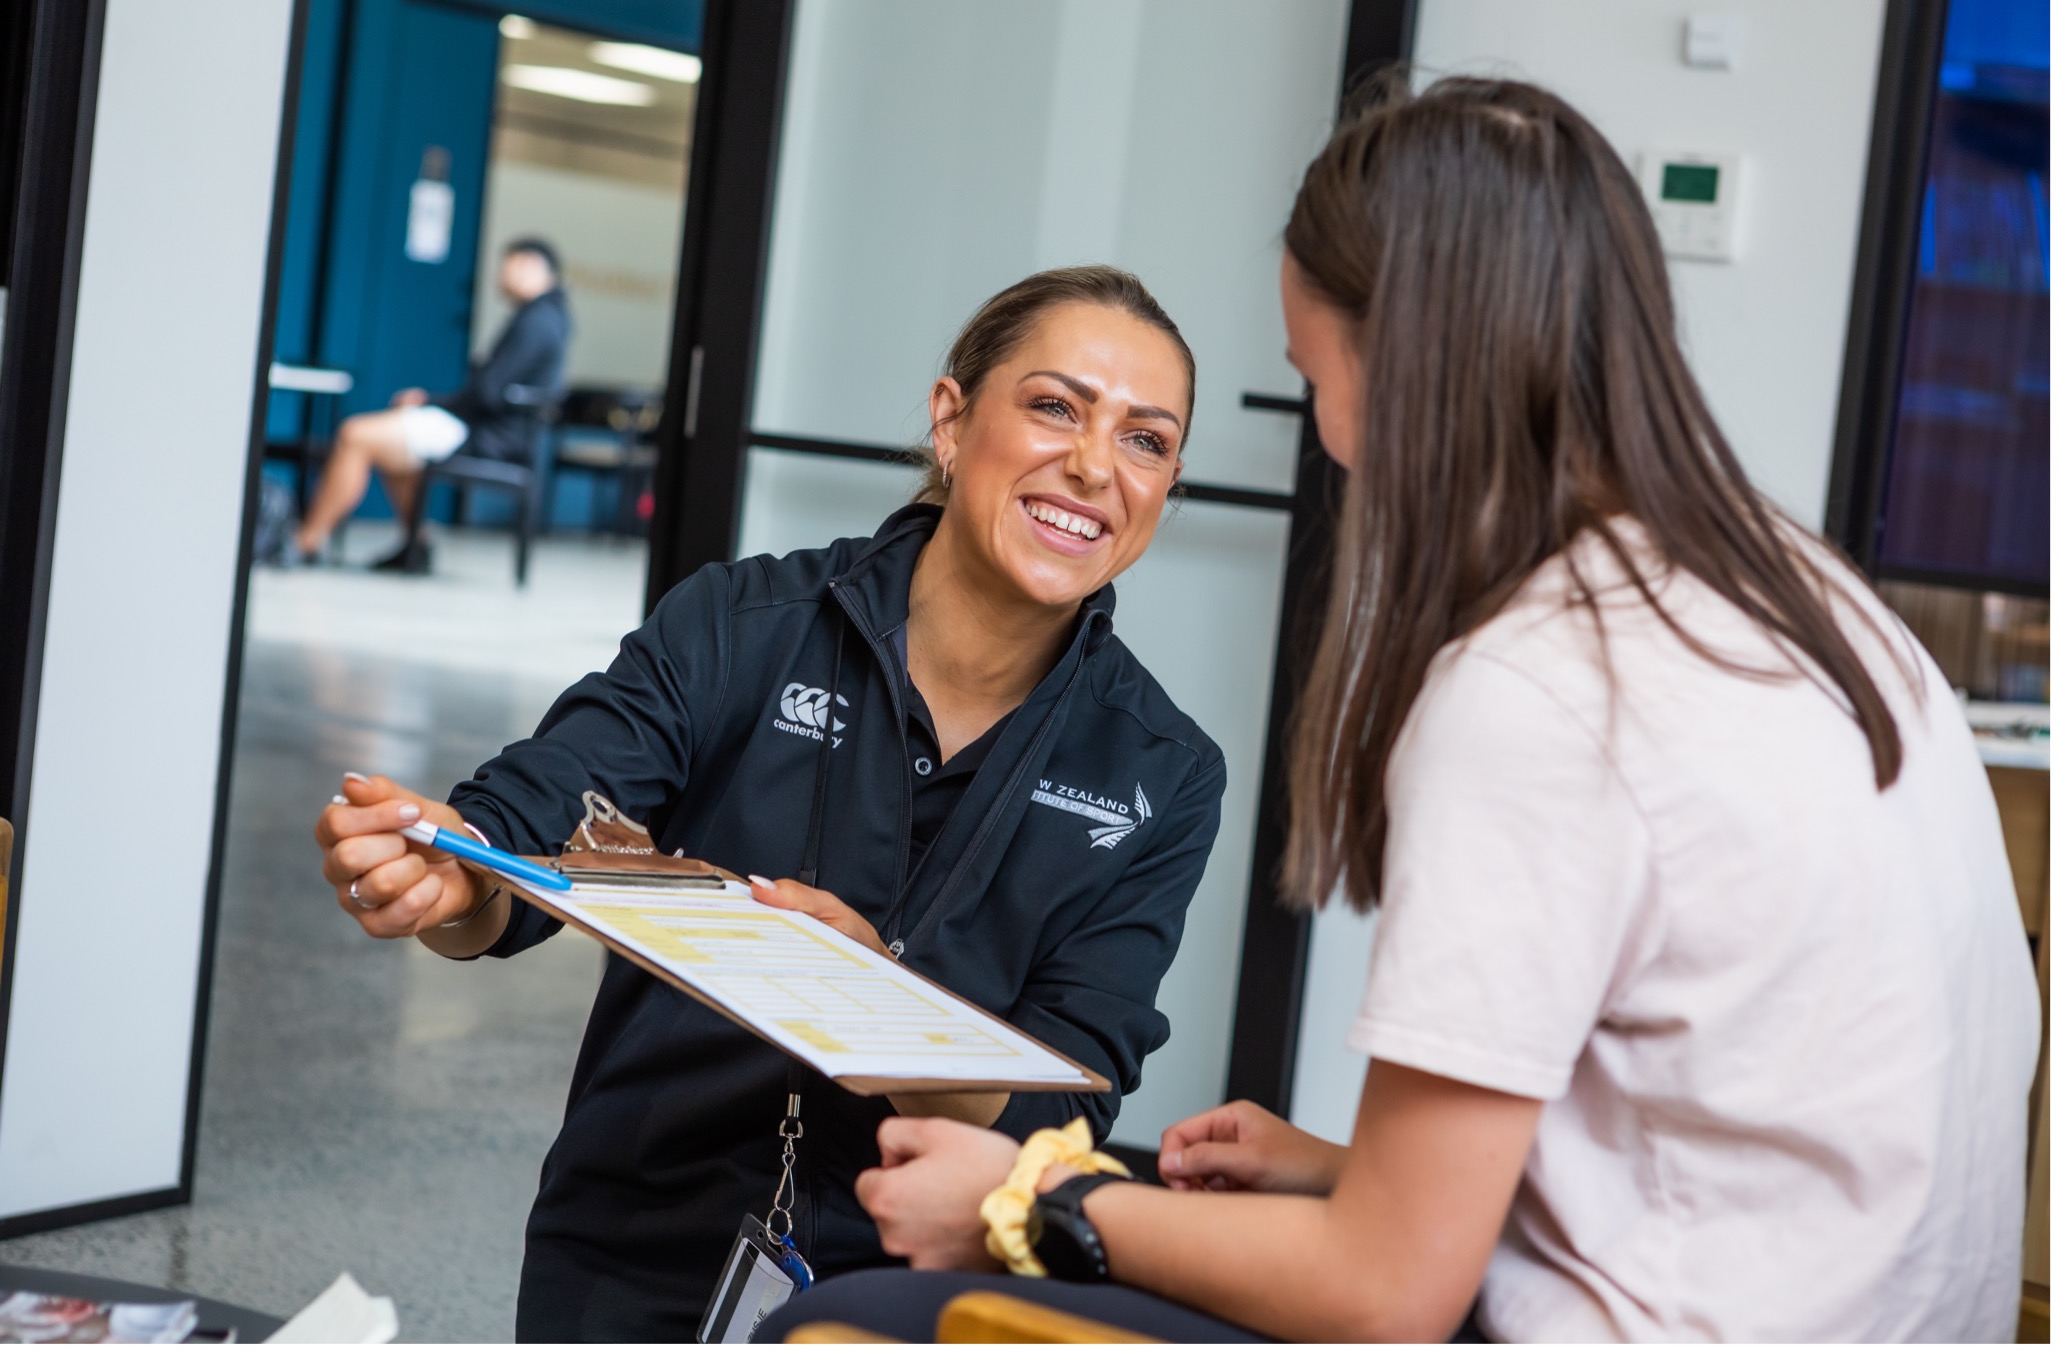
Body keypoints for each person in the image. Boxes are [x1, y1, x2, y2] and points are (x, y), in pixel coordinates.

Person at [758, 76, 2044, 1343]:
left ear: (1411, 369)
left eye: (1316, 379)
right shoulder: (1812, 593)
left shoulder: (1541, 683)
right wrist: (1340, 1171)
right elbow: (1716, 1125)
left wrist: (1033, 1198)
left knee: (852, 1319)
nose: (1330, 439)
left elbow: (1384, 1294)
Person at [313, 265, 1228, 1341]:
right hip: (639, 1234)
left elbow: (1065, 1107)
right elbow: (532, 829)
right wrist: (447, 874)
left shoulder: (1163, 770)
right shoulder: (743, 623)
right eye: (1054, 407)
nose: (1091, 465)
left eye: (1145, 439)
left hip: (924, 1280)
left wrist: (880, 1005)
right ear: (950, 419)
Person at [291, 237, 572, 571]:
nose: (501, 277)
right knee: (392, 447)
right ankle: (416, 544)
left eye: (507, 267)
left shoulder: (536, 323)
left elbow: (486, 392)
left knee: (356, 435)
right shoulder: (548, 319)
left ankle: (304, 541)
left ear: (530, 266)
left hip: (487, 436)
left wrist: (430, 401)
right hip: (491, 429)